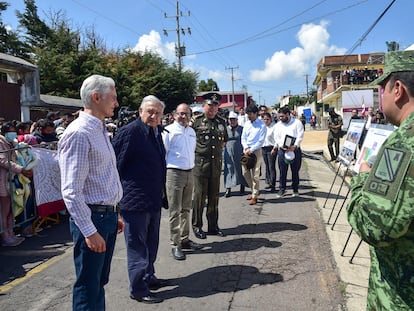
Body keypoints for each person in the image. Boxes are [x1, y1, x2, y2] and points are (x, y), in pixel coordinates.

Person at [346, 50, 414, 310]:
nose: (380, 98)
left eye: (382, 90)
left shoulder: (402, 144)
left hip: (401, 297)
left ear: (398, 90)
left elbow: (374, 225)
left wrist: (362, 178)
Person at [58, 74, 124, 310]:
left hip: (104, 216)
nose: (116, 103)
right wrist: (89, 230)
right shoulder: (79, 133)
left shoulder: (99, 129)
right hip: (93, 219)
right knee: (88, 286)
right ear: (96, 97)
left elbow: (103, 177)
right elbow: (71, 190)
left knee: (98, 283)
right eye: (113, 98)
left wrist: (114, 212)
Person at [112, 95, 167, 304]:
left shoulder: (155, 132)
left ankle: (148, 276)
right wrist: (116, 201)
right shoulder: (131, 132)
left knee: (152, 243)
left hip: (153, 199)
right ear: (140, 111)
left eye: (157, 112)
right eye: (150, 111)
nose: (153, 116)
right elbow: (116, 165)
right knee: (137, 246)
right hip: (134, 201)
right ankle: (138, 288)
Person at [162, 103, 203, 261]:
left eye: (186, 113)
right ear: (174, 114)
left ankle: (185, 239)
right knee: (175, 210)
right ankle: (175, 243)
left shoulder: (191, 131)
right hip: (174, 172)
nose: (183, 116)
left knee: (186, 208)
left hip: (189, 171)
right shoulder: (168, 131)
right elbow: (163, 153)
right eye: (180, 113)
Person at [191, 92, 228, 239]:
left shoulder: (221, 122)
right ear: (203, 106)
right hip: (200, 165)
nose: (212, 108)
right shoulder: (196, 122)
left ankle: (213, 226)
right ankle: (197, 226)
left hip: (216, 165)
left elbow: (224, 140)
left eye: (215, 105)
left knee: (214, 197)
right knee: (199, 197)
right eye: (210, 105)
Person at [0, 122, 33, 247]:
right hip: (4, 180)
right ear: (4, 132)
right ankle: (5, 236)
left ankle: (11, 233)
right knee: (5, 211)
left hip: (12, 180)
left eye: (14, 131)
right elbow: (3, 160)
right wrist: (21, 169)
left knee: (11, 210)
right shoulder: (1, 143)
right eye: (10, 131)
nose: (13, 133)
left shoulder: (12, 143)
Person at [272, 106, 304, 198]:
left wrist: (295, 146)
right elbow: (276, 137)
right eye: (279, 116)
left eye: (282, 116)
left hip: (295, 150)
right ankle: (282, 189)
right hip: (282, 151)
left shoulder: (297, 123)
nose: (280, 118)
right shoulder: (278, 125)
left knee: (295, 171)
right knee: (282, 171)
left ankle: (295, 189)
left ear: (288, 115)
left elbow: (300, 135)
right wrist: (280, 145)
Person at [241, 104, 266, 205]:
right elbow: (243, 137)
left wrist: (251, 149)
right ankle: (254, 190)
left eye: (250, 114)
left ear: (256, 113)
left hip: (256, 151)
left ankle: (255, 196)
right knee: (245, 173)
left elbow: (261, 141)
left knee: (255, 174)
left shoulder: (262, 125)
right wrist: (246, 147)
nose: (249, 116)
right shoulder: (247, 124)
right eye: (247, 114)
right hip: (246, 150)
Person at [223, 111, 247, 198]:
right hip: (228, 151)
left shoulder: (241, 129)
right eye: (230, 120)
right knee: (228, 169)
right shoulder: (225, 129)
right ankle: (228, 188)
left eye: (234, 120)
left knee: (241, 168)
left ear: (237, 120)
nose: (232, 121)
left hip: (239, 150)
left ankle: (242, 185)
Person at [261, 112, 277, 192]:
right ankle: (269, 182)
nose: (266, 121)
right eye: (264, 119)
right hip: (264, 148)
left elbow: (277, 139)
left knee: (271, 166)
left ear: (270, 119)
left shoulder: (274, 127)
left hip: (271, 148)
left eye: (267, 119)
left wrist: (274, 148)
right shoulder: (262, 127)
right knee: (267, 166)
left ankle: (273, 184)